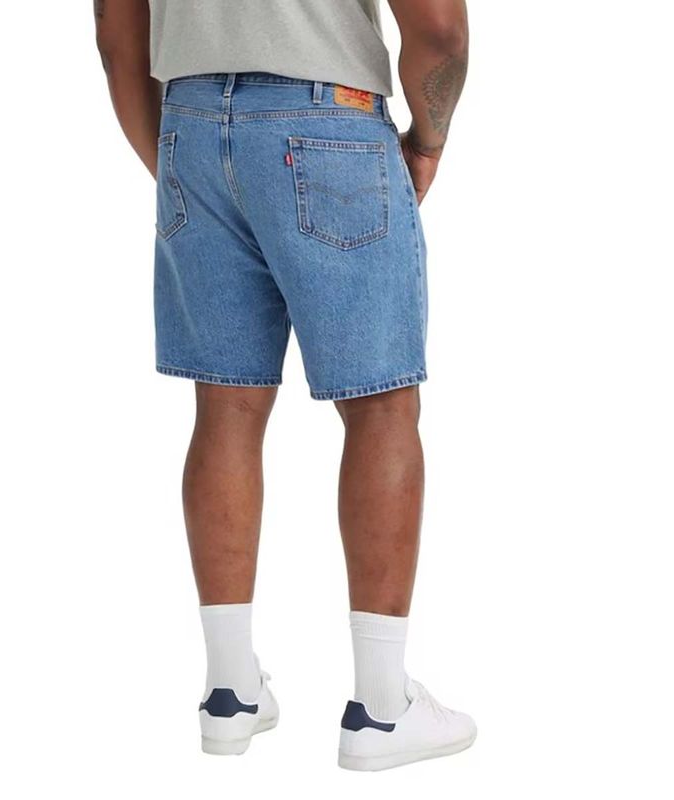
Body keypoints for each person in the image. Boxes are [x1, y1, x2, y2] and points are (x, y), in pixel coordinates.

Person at [95, 0, 472, 771]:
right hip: (327, 117)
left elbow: (113, 29)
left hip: (191, 122)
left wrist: (181, 159)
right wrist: (427, 143)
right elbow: (438, 27)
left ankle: (229, 693)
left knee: (225, 404)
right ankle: (381, 709)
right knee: (381, 406)